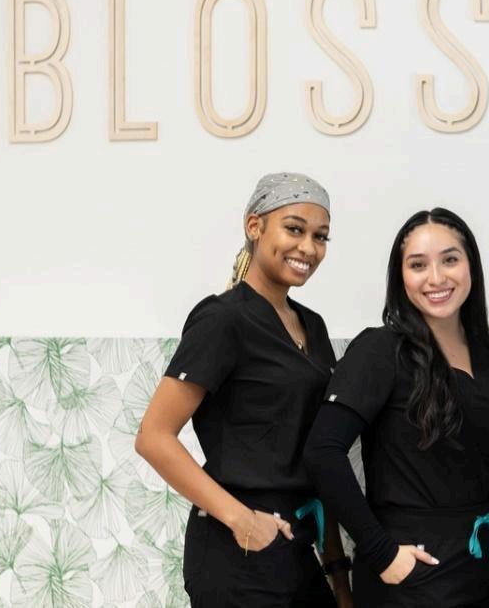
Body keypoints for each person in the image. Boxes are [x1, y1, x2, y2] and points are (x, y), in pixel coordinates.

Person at [135, 173, 352, 608]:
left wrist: (337, 575)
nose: (308, 248)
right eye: (294, 229)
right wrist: (242, 520)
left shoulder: (313, 325)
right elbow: (153, 437)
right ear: (255, 226)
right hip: (238, 551)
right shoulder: (222, 319)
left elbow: (320, 452)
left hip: (300, 546)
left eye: (320, 236)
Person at [304, 208, 489, 608]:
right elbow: (322, 451)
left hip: (488, 573)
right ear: (401, 277)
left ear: (471, 266)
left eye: (450, 259)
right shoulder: (380, 350)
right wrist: (382, 554)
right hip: (411, 576)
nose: (436, 277)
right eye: (418, 265)